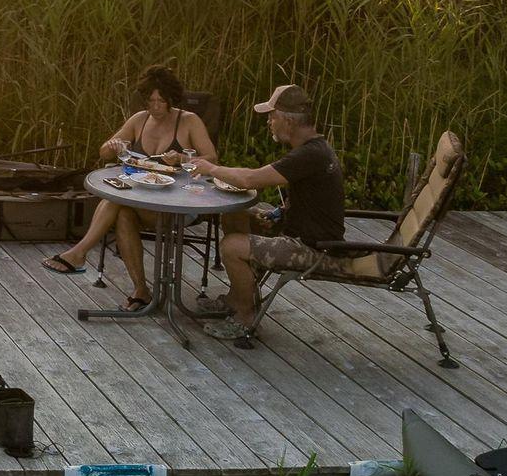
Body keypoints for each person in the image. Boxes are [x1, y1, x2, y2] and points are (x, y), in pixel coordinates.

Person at [41, 65, 216, 309]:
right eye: (150, 101)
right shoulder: (139, 120)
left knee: (117, 201)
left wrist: (183, 158)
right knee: (122, 212)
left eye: (161, 101)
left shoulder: (188, 121)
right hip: (142, 199)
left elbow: (212, 159)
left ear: (171, 99)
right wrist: (113, 146)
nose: (155, 107)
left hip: (178, 204)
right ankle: (141, 290)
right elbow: (104, 153)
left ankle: (79, 253)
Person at [190, 83, 345, 342]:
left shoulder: (309, 154)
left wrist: (211, 168)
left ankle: (245, 318)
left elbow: (250, 179)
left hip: (315, 248)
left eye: (272, 117)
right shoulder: (314, 148)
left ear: (288, 121)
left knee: (231, 246)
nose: (269, 122)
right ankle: (235, 299)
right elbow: (313, 201)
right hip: (302, 233)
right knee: (235, 215)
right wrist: (278, 214)